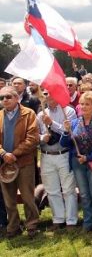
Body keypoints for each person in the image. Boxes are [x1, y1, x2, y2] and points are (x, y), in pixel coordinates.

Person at [61, 91, 92, 234]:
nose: (83, 106)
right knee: (84, 195)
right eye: (81, 104)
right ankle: (89, 224)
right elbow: (65, 144)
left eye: (87, 104)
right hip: (78, 164)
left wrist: (88, 158)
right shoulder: (75, 122)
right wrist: (65, 131)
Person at [0, 86, 40, 238]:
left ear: (17, 98)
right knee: (9, 199)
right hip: (4, 163)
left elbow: (32, 138)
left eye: (8, 96)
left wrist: (14, 154)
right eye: (2, 98)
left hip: (24, 162)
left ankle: (32, 225)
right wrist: (3, 153)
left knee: (27, 196)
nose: (5, 100)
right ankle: (13, 227)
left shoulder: (28, 113)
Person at [37, 91, 79, 231]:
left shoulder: (69, 111)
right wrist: (42, 138)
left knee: (68, 189)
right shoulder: (40, 114)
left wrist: (52, 123)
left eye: (50, 93)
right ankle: (58, 219)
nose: (47, 96)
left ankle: (71, 221)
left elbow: (70, 132)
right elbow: (34, 135)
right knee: (52, 190)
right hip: (46, 155)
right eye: (45, 94)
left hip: (64, 154)